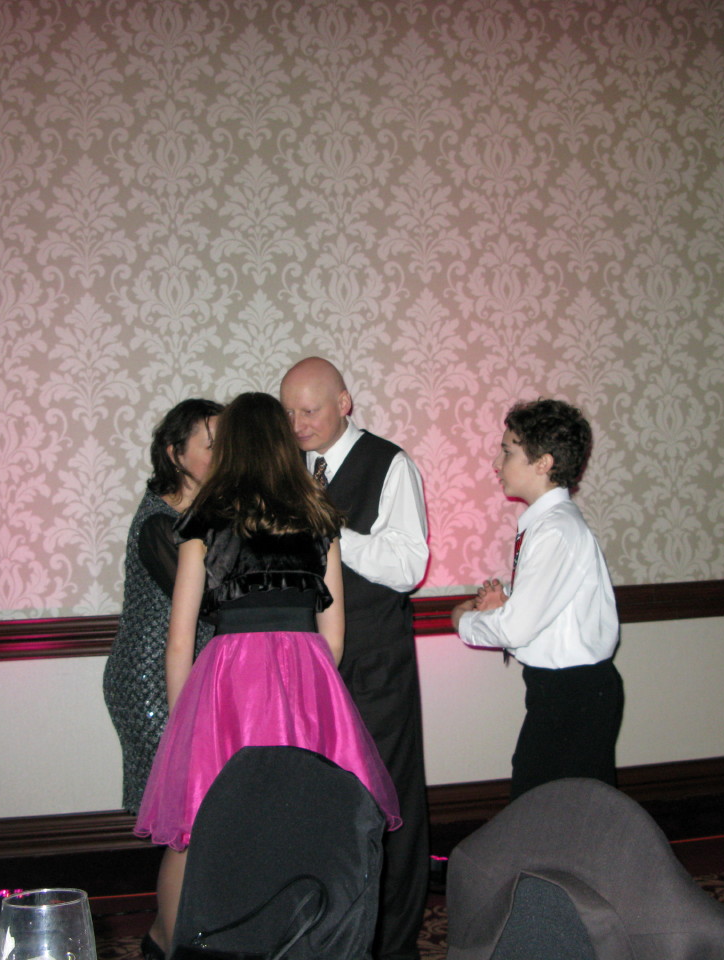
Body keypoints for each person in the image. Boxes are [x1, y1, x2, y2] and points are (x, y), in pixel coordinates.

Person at [133, 392, 401, 953]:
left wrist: (185, 722)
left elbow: (180, 639)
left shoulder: (205, 520)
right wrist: (308, 688)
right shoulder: (318, 517)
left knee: (197, 828)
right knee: (301, 821)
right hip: (302, 681)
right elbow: (334, 637)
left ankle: (170, 941)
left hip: (228, 682)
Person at [279, 357, 430, 960]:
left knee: (389, 805)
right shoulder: (286, 470)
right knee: (320, 808)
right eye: (288, 412)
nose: (297, 425)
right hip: (305, 667)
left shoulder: (390, 465)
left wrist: (331, 532)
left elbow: (409, 566)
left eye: (309, 410)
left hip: (374, 666)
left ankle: (394, 944)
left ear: (344, 403)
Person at [451, 398, 623, 800]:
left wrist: (462, 619)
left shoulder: (555, 530)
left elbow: (517, 629)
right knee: (555, 809)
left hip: (573, 695)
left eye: (508, 451)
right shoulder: (550, 525)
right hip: (565, 692)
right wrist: (506, 604)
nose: (496, 463)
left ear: (543, 462)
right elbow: (551, 614)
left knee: (552, 810)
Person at [104, 397, 224, 814]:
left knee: (196, 809)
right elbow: (212, 605)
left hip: (185, 672)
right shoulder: (160, 523)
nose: (224, 456)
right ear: (175, 454)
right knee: (180, 809)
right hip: (151, 677)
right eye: (211, 446)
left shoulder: (203, 514)